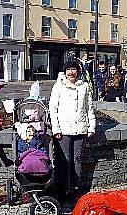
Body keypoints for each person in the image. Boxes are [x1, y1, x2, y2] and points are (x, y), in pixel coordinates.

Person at [49, 59, 96, 198]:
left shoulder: (84, 86)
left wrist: (91, 127)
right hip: (63, 130)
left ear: (78, 71)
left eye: (73, 69)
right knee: (65, 160)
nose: (71, 72)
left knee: (77, 159)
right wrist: (56, 129)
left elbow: (89, 108)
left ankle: (75, 188)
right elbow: (53, 108)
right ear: (65, 71)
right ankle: (64, 189)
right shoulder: (58, 86)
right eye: (68, 69)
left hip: (80, 129)